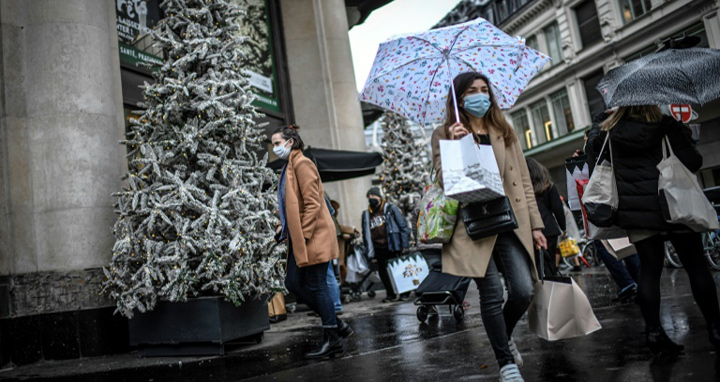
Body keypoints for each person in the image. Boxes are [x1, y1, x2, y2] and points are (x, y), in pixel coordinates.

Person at [431, 72, 547, 382]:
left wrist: (536, 225)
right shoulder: (444, 132)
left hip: (508, 220)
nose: (480, 96)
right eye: (472, 91)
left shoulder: (503, 129)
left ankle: (502, 335)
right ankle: (506, 363)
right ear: (459, 98)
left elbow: (523, 180)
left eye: (485, 90)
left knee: (523, 290)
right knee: (491, 293)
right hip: (472, 224)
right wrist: (455, 145)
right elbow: (446, 183)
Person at [587, 105, 720, 355]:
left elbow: (593, 157)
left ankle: (654, 334)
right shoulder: (666, 125)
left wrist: (599, 120)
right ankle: (715, 328)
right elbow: (693, 162)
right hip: (674, 206)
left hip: (637, 213)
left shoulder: (609, 133)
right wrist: (681, 132)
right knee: (696, 266)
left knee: (649, 271)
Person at [273, 124, 353, 359]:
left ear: (290, 142)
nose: (275, 147)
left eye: (277, 143)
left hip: (313, 235)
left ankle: (333, 338)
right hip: (302, 236)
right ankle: (337, 325)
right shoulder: (290, 165)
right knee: (293, 282)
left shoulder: (302, 163)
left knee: (317, 285)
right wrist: (285, 226)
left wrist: (304, 234)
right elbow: (293, 205)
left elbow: (312, 203)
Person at [576, 122, 641, 302]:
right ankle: (637, 283)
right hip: (622, 202)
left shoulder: (598, 147)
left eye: (585, 139)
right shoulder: (613, 145)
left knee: (605, 244)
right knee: (626, 244)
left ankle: (629, 284)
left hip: (604, 204)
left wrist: (583, 158)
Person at [361, 187, 411, 302]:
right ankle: (390, 294)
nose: (371, 199)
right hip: (378, 247)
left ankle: (404, 293)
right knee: (383, 272)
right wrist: (368, 249)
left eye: (373, 196)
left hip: (392, 244)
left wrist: (404, 245)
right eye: (369, 197)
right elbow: (365, 233)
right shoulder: (367, 214)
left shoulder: (390, 209)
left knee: (398, 269)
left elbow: (403, 226)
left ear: (380, 197)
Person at [526, 158, 566, 276]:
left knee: (536, 265)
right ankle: (552, 288)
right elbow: (558, 209)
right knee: (550, 264)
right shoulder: (548, 186)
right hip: (550, 229)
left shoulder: (525, 191)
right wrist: (563, 227)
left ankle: (541, 289)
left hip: (531, 231)